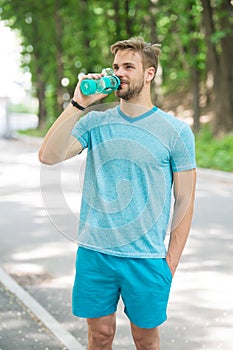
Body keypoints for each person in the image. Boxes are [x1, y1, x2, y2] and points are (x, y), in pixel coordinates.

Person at [39, 37, 196, 350]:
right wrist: (78, 105)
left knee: (146, 341)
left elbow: (185, 201)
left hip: (147, 259)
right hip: (95, 255)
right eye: (115, 67)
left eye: (128, 66)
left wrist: (170, 263)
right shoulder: (96, 122)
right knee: (100, 337)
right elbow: (49, 155)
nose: (119, 73)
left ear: (149, 74)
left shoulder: (176, 131)